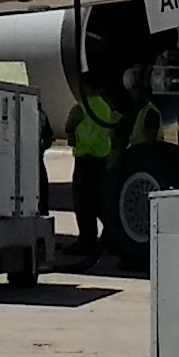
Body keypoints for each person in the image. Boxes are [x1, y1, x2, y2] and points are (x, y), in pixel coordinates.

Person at [67, 79, 127, 261]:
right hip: (102, 159)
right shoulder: (106, 107)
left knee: (83, 203)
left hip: (85, 159)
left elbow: (69, 129)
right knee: (101, 202)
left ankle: (87, 241)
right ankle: (110, 237)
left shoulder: (81, 108)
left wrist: (76, 140)